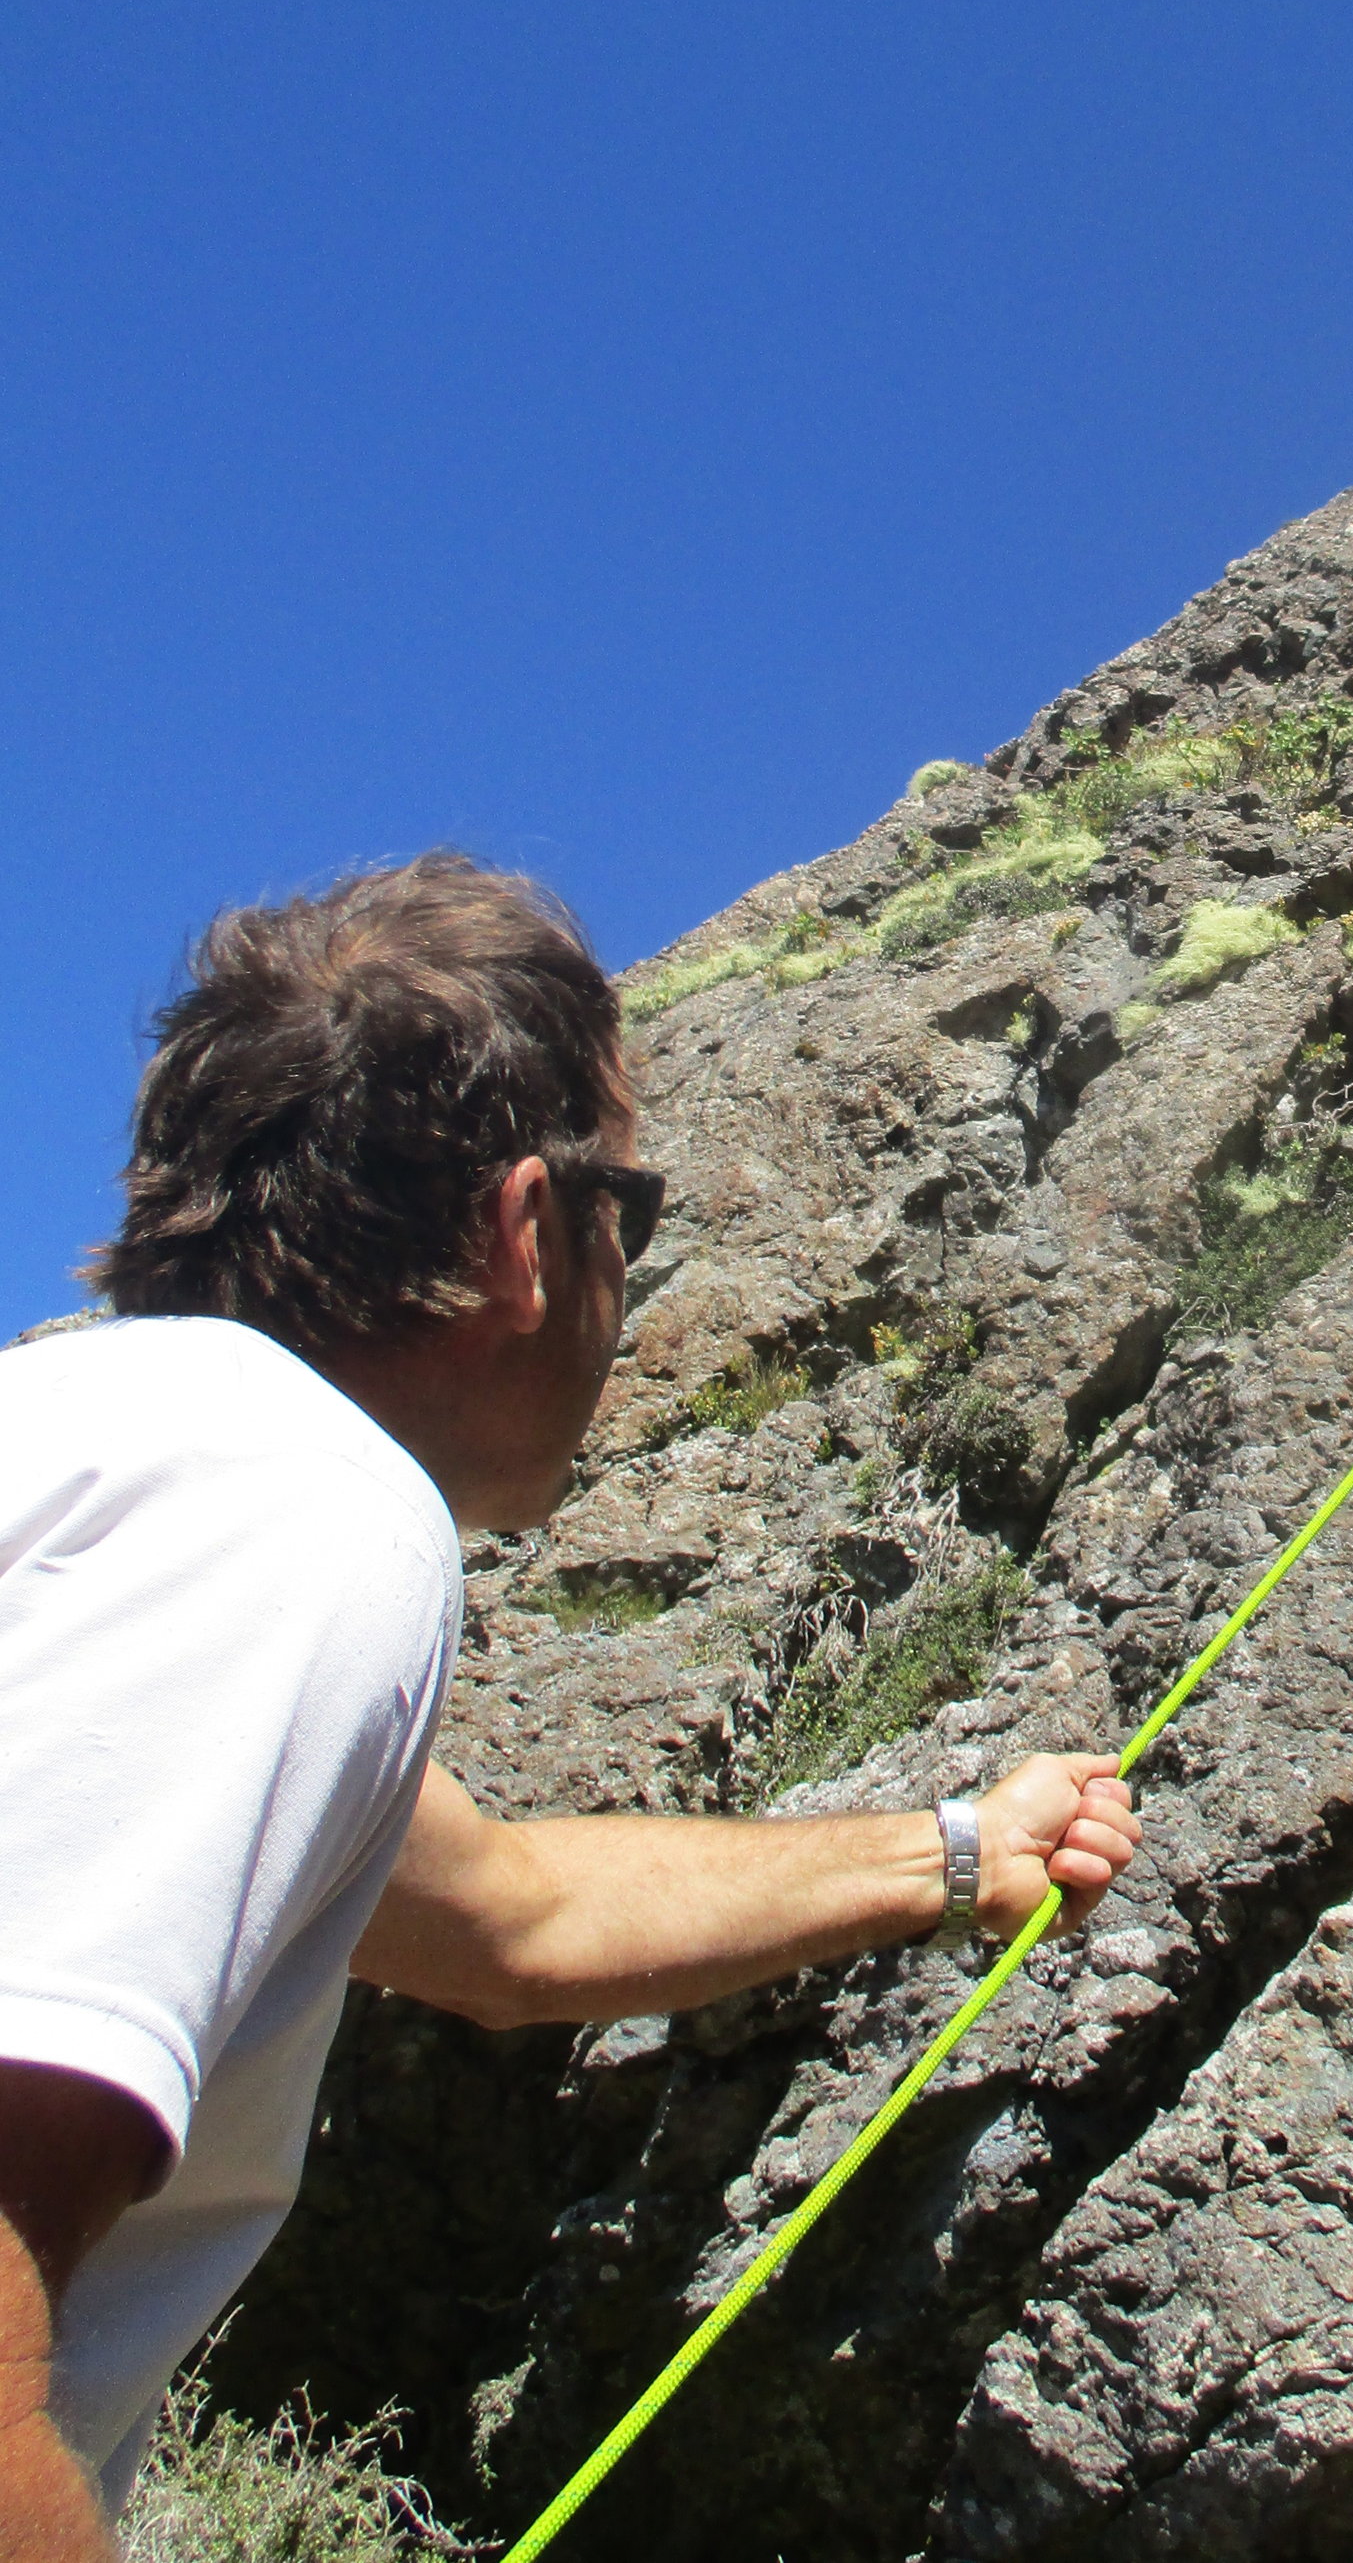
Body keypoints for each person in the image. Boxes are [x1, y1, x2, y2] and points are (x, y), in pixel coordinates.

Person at [0, 856, 1143, 2561]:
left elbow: (511, 1915)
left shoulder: (110, 1447)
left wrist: (960, 1845)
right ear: (528, 1229)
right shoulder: (294, 1500)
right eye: (637, 1205)